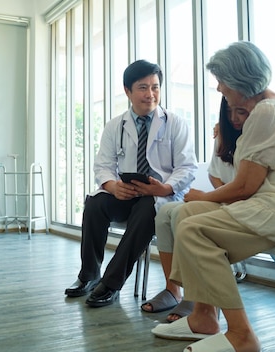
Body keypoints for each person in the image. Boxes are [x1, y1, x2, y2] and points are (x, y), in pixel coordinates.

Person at [151, 41, 275, 352]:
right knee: (184, 215)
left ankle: (242, 335)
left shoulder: (267, 112)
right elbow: (244, 184)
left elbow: (244, 187)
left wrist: (202, 196)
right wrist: (201, 199)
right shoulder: (266, 108)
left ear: (239, 82)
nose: (219, 89)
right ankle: (203, 315)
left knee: (194, 227)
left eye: (222, 83)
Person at [64, 59, 198, 308]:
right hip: (125, 194)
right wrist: (113, 186)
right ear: (127, 91)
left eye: (155, 87)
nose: (150, 94)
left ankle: (111, 284)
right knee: (95, 203)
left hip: (160, 196)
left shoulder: (175, 124)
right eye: (143, 87)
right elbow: (102, 165)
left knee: (147, 209)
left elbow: (188, 167)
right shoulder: (116, 125)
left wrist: (165, 188)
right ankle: (89, 275)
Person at [140, 96, 245, 322]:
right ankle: (172, 290)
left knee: (182, 213)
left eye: (242, 112)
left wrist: (209, 197)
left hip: (246, 206)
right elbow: (215, 174)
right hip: (226, 201)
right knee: (166, 213)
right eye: (229, 113)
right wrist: (220, 195)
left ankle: (195, 296)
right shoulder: (223, 137)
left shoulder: (260, 137)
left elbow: (246, 188)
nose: (235, 118)